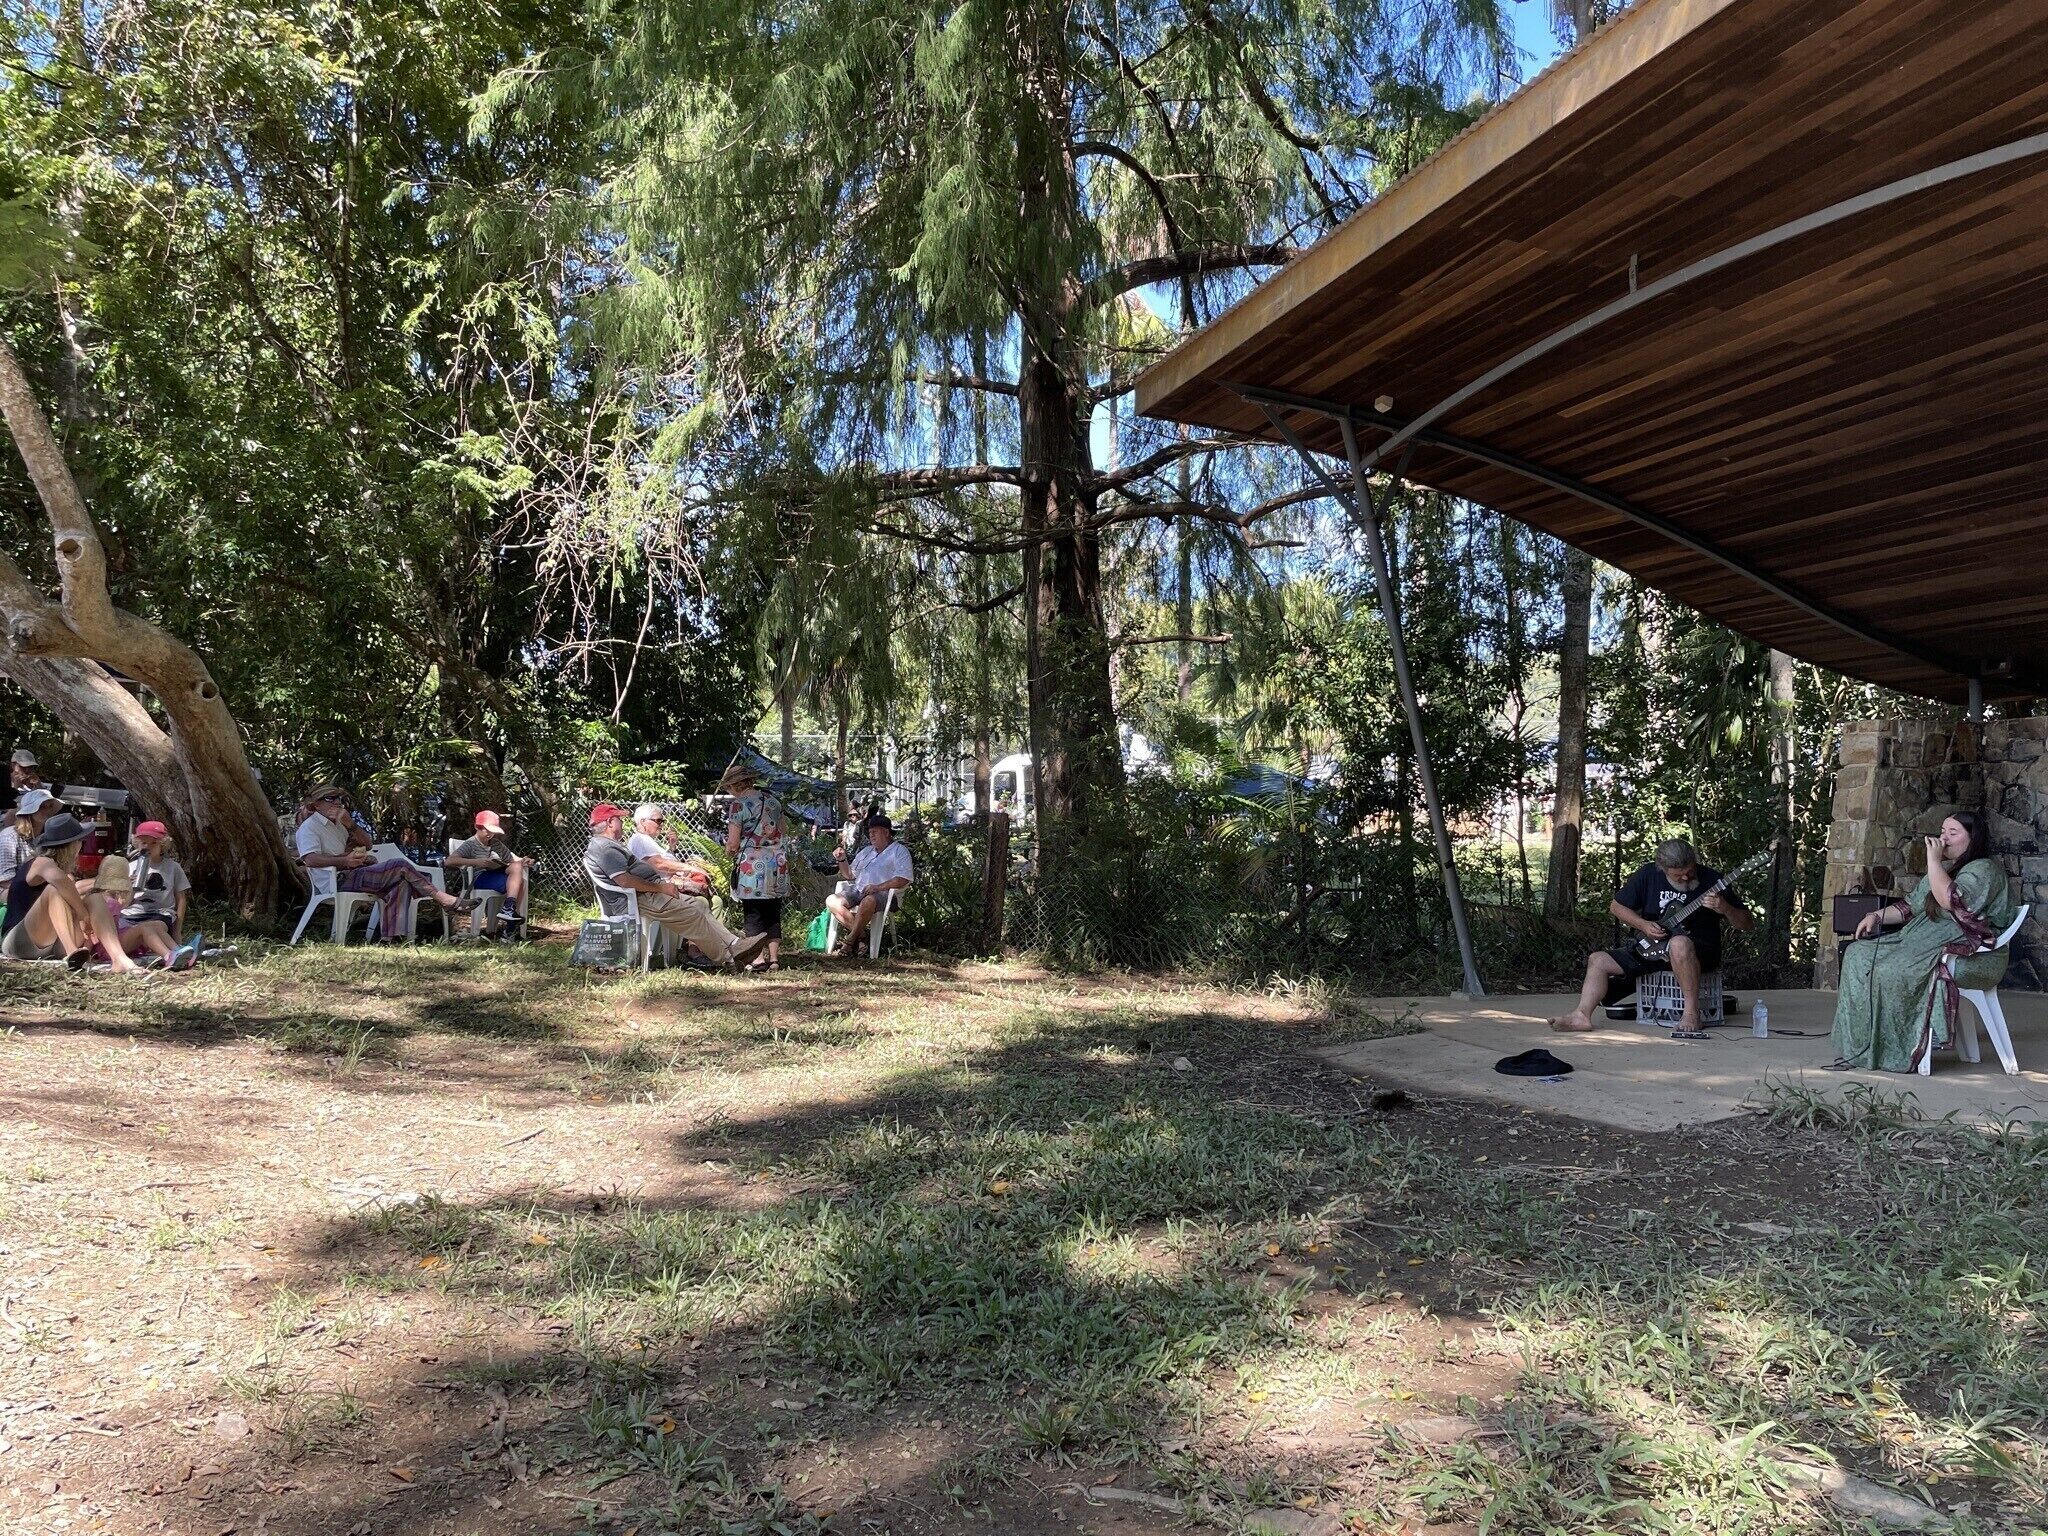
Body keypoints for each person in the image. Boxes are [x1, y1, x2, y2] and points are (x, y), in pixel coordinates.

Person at [1831, 810, 2015, 1072]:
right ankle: (1866, 1046)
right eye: (1943, 831)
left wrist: (1933, 861)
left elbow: (1951, 901)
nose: (1944, 838)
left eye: (1953, 833)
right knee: (1857, 954)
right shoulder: (1944, 870)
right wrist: (1875, 915)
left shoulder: (1985, 869)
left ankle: (1901, 1049)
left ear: (1973, 839)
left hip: (1973, 956)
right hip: (1920, 942)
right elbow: (1909, 907)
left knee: (1894, 969)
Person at [1549, 838, 1753, 1040]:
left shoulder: (1712, 880)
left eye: (1689, 871)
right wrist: (1643, 925)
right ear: (1662, 868)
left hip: (1696, 952)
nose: (1685, 878)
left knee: (1679, 943)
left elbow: (1746, 924)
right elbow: (1616, 907)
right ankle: (1581, 1016)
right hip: (1652, 947)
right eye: (1678, 875)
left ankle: (1692, 1013)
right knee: (1598, 960)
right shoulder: (1649, 874)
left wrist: (1724, 908)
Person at [582, 803, 768, 969]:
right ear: (610, 823)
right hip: (637, 898)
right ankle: (728, 958)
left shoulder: (608, 845)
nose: (622, 823)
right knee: (691, 914)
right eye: (619, 819)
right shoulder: (605, 848)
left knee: (698, 905)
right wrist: (661, 888)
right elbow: (625, 881)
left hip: (647, 892)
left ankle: (735, 944)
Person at [294, 785, 472, 938]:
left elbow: (368, 843)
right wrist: (345, 861)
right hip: (334, 880)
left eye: (338, 798)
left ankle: (392, 938)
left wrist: (351, 826)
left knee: (401, 883)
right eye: (330, 798)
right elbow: (310, 859)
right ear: (316, 804)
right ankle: (443, 898)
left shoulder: (339, 825)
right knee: (399, 865)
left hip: (351, 874)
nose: (337, 802)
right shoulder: (309, 828)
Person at [0, 813, 141, 970]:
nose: (82, 845)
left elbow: (71, 889)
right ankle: (71, 952)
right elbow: (61, 883)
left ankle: (119, 959)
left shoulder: (64, 873)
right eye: (81, 841)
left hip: (52, 944)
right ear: (72, 845)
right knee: (53, 890)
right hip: (20, 942)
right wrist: (84, 916)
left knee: (95, 898)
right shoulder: (41, 863)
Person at [722, 763, 791, 971]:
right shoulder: (773, 801)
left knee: (753, 911)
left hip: (752, 865)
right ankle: (774, 959)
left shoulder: (738, 805)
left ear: (735, 785)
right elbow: (783, 830)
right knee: (772, 910)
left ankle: (757, 958)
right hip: (777, 863)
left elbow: (733, 843)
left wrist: (729, 851)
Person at [825, 814, 914, 958]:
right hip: (860, 890)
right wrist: (841, 859)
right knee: (831, 901)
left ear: (886, 832)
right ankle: (861, 937)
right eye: (870, 832)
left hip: (886, 894)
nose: (871, 835)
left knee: (869, 900)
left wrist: (878, 887)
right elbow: (849, 875)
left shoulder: (899, 851)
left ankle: (848, 943)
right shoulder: (866, 852)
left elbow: (903, 879)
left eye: (875, 832)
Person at [83, 853, 185, 970]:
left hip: (118, 937)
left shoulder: (111, 899)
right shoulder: (101, 900)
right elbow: (91, 930)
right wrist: (87, 951)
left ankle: (177, 950)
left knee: (153, 925)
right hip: (108, 947)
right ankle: (168, 956)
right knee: (144, 928)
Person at [445, 810, 530, 939]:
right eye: (487, 830)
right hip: (481, 878)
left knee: (520, 876)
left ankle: (509, 914)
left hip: (496, 875)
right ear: (477, 827)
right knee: (519, 883)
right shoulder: (470, 844)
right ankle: (510, 929)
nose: (490, 835)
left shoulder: (496, 844)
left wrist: (525, 860)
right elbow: (449, 861)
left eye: (493, 831)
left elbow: (514, 859)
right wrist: (477, 862)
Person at [124, 820, 191, 941]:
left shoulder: (173, 867)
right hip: (132, 914)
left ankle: (174, 951)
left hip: (161, 914)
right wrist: (129, 887)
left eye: (153, 843)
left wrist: (177, 930)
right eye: (144, 842)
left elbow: (181, 899)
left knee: (156, 927)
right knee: (124, 929)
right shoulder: (130, 867)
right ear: (137, 844)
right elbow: (124, 903)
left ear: (162, 845)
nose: (148, 847)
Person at [0, 787, 59, 917]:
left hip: (40, 887)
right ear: (30, 811)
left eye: (50, 806)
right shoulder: (9, 837)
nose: (47, 810)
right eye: (42, 806)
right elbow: (5, 880)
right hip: (8, 891)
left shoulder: (47, 838)